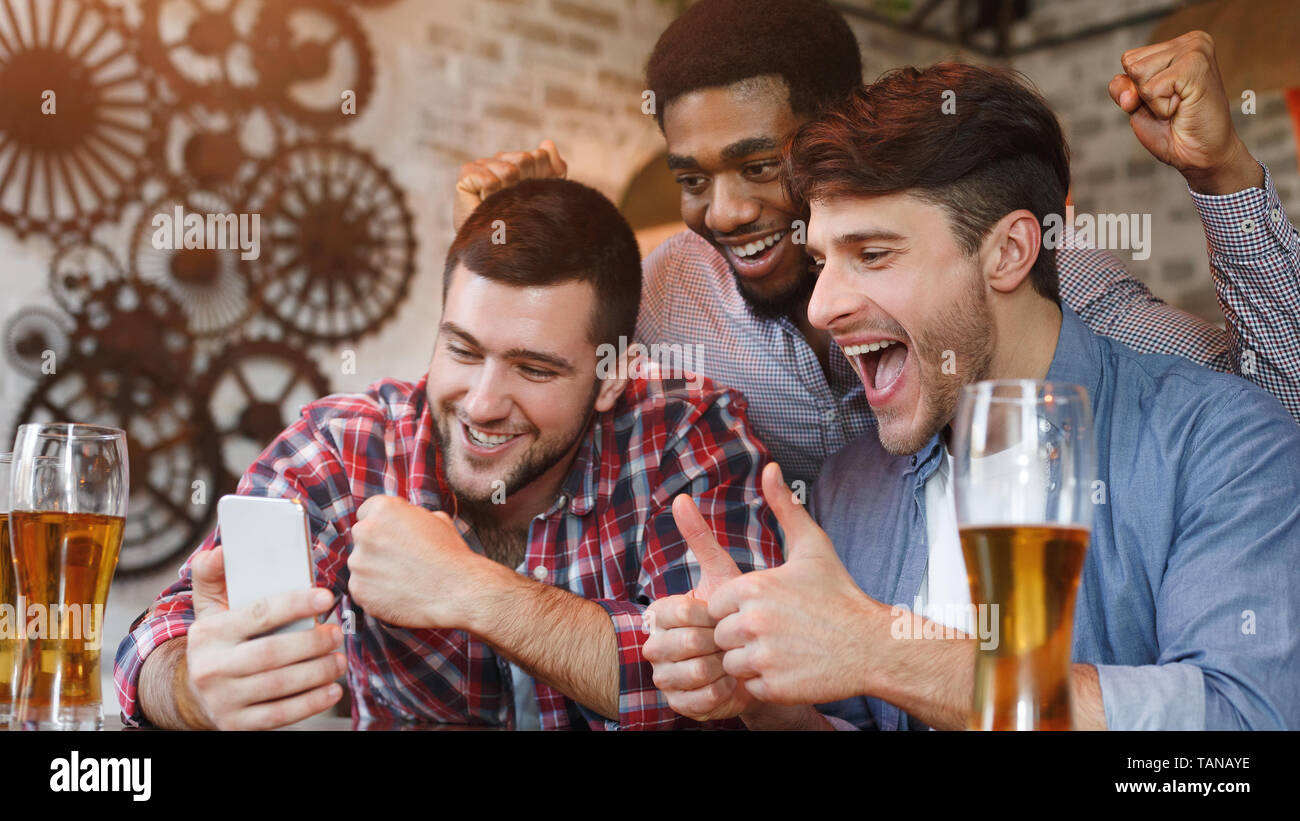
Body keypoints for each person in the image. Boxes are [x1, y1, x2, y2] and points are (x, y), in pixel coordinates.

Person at [644, 62, 1300, 730]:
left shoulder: (1220, 443)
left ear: (1010, 252)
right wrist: (770, 703)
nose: (822, 306)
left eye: (871, 254)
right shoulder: (852, 482)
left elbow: (1239, 728)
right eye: (821, 261)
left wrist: (882, 649)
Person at [454, 2, 1300, 490]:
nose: (727, 211)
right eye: (692, 178)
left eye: (759, 163)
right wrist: (516, 253)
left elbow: (1280, 410)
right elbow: (522, 400)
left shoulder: (1034, 280)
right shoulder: (673, 296)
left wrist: (1222, 174)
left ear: (835, 139)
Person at [113, 179, 783, 731]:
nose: (483, 402)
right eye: (462, 350)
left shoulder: (685, 433)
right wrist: (199, 691)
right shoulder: (353, 444)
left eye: (535, 369)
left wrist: (469, 589)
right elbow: (157, 640)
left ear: (612, 377)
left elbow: (730, 682)